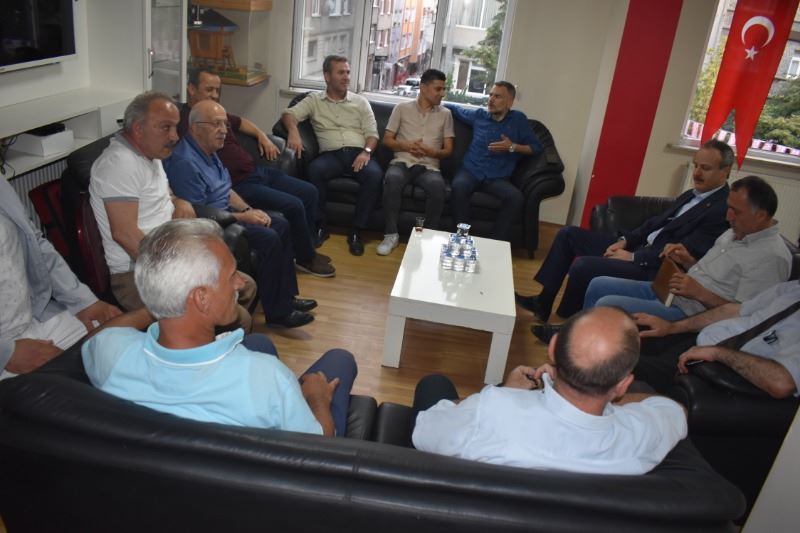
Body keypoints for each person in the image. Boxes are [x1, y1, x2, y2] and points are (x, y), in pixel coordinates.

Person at [82, 219, 357, 436]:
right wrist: (317, 400)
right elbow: (317, 450)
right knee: (341, 359)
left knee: (260, 343)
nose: (241, 283)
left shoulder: (110, 353)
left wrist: (161, 304)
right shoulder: (269, 378)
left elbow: (98, 338)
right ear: (201, 298)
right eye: (231, 275)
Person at [411, 307, 687, 474]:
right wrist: (615, 401)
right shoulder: (640, 437)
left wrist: (507, 390)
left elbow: (424, 431)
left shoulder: (492, 409)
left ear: (553, 348)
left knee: (434, 385)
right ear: (623, 385)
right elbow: (675, 409)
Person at [89, 91, 257, 331]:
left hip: (170, 254)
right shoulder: (119, 164)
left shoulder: (152, 154)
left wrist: (179, 201)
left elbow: (164, 195)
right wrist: (176, 271)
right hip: (139, 272)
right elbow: (125, 234)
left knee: (245, 286)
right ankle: (205, 347)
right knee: (239, 317)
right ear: (138, 129)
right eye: (165, 127)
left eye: (176, 127)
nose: (175, 136)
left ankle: (213, 342)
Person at [516, 139, 733, 324]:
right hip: (638, 249)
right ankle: (543, 302)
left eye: (705, 168)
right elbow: (653, 223)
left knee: (583, 266)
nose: (696, 173)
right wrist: (624, 240)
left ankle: (566, 324)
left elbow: (683, 253)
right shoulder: (690, 195)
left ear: (725, 171)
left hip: (653, 267)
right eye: (695, 166)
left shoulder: (721, 210)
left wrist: (633, 257)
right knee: (568, 235)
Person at [165, 99, 316, 329]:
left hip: (228, 214)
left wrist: (248, 209)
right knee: (268, 237)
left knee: (280, 223)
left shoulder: (210, 151)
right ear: (195, 128)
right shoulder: (184, 162)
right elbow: (197, 215)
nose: (224, 130)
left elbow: (227, 190)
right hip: (211, 225)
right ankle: (280, 313)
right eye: (216, 124)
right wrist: (242, 217)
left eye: (224, 124)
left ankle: (285, 298)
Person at [178, 68, 334, 278]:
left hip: (256, 171)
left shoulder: (216, 112)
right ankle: (306, 258)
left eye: (217, 90)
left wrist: (262, 136)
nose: (214, 95)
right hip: (240, 183)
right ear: (191, 88)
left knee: (309, 191)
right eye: (209, 90)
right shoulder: (188, 123)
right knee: (294, 205)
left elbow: (241, 122)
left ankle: (306, 248)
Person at [580, 176, 790, 324]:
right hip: (672, 292)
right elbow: (709, 274)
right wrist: (688, 261)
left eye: (736, 212)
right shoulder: (735, 232)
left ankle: (591, 356)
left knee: (607, 303)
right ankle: (579, 341)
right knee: (598, 284)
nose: (728, 217)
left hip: (690, 313)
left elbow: (745, 315)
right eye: (728, 208)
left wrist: (700, 293)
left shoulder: (771, 258)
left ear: (761, 216)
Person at [0, 179, 121, 379]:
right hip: (6, 349)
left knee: (115, 342)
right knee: (66, 389)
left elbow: (35, 243)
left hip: (34, 319)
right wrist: (6, 354)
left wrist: (83, 302)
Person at [281, 54, 382, 256]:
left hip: (358, 153)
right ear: (327, 76)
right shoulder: (314, 100)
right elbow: (288, 114)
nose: (346, 77)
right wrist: (293, 132)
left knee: (375, 175)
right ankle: (321, 225)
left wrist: (366, 152)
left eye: (348, 72)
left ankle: (357, 231)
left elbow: (373, 134)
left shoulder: (361, 102)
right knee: (314, 170)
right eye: (341, 72)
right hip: (331, 155)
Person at [632, 280, 800, 399]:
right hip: (699, 342)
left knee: (623, 362)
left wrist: (717, 353)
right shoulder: (793, 289)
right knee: (627, 333)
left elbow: (782, 382)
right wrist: (671, 327)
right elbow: (734, 310)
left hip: (717, 371)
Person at [444, 81, 542, 241]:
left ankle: (494, 242)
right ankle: (462, 239)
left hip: (497, 177)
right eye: (490, 95)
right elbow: (456, 109)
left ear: (510, 102)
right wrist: (437, 102)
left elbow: (536, 147)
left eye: (497, 96)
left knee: (516, 198)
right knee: (458, 187)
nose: (491, 99)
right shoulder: (479, 116)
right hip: (470, 171)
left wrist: (512, 147)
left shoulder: (518, 120)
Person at [376, 68, 454, 256]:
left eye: (444, 89)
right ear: (423, 88)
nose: (442, 93)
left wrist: (430, 151)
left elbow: (448, 150)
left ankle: (427, 237)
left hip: (429, 167)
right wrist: (406, 145)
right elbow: (387, 140)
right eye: (438, 89)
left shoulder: (446, 114)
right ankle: (391, 235)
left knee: (438, 187)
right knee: (392, 179)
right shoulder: (401, 108)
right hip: (402, 162)